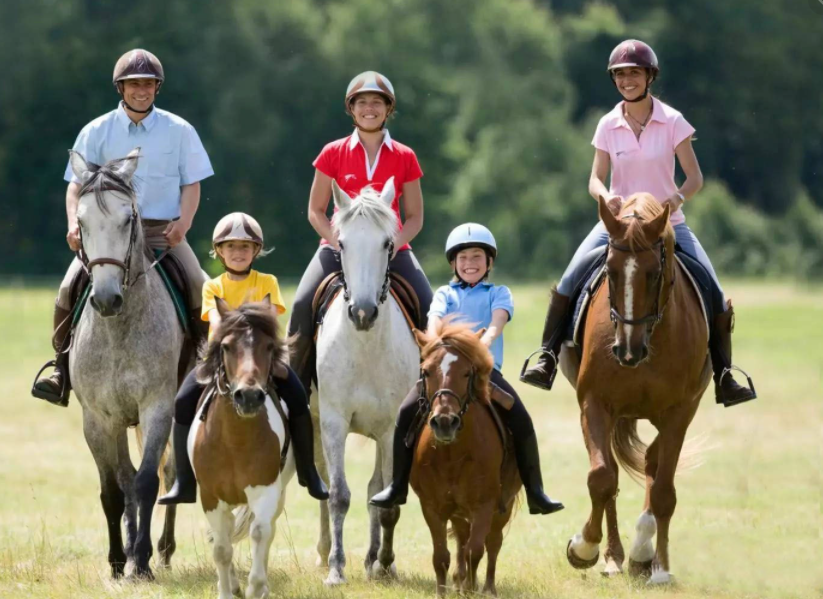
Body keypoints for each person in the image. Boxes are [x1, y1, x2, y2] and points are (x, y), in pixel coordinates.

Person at [520, 39, 756, 408]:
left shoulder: (673, 121)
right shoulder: (607, 124)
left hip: (668, 224)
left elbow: (694, 179)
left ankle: (725, 375)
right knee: (568, 281)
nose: (626, 80)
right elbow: (594, 179)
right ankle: (547, 357)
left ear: (649, 76)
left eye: (633, 73)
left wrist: (675, 199)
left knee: (714, 291)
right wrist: (605, 197)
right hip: (618, 226)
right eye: (620, 75)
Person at [32, 48, 214, 407]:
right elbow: (75, 185)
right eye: (133, 84)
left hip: (162, 231)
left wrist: (184, 224)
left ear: (157, 88)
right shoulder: (96, 130)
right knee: (68, 288)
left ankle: (205, 364)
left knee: (200, 288)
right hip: (107, 236)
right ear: (121, 88)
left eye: (148, 84)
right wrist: (73, 225)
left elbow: (192, 183)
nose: (141, 90)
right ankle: (61, 370)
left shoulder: (180, 130)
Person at [370, 224, 564, 515]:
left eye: (477, 257)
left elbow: (496, 324)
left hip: (484, 371)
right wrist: (436, 340)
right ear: (453, 263)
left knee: (521, 418)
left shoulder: (499, 293)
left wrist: (480, 345)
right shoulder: (444, 295)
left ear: (489, 262)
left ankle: (535, 491)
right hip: (444, 373)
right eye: (463, 258)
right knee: (405, 413)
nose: (470, 264)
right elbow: (434, 323)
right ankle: (397, 486)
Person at [158, 213, 329, 504]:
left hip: (262, 358)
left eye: (245, 247)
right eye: (231, 247)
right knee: (183, 401)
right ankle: (184, 481)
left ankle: (308, 471)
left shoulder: (268, 282)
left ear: (256, 251)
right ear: (219, 251)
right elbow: (216, 324)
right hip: (222, 359)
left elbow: (270, 324)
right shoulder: (212, 287)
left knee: (299, 399)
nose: (238, 253)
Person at [287, 70, 433, 397]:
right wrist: (338, 242)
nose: (370, 108)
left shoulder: (405, 156)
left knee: (429, 305)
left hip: (390, 249)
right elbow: (316, 210)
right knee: (300, 304)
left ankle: (431, 390)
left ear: (388, 109)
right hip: (338, 247)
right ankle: (294, 393)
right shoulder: (332, 153)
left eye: (377, 103)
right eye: (362, 102)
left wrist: (392, 244)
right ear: (351, 109)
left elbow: (415, 216)